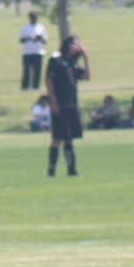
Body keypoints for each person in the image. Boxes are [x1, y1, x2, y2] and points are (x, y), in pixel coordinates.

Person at [45, 37, 89, 177]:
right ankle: (51, 169)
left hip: (71, 104)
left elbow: (87, 77)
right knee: (57, 138)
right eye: (75, 44)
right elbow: (49, 80)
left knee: (69, 138)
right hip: (60, 104)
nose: (77, 46)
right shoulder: (56, 60)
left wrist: (85, 58)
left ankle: (71, 169)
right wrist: (53, 101)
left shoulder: (72, 64)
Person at [18, 11, 47, 90]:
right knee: (26, 71)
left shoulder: (41, 27)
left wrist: (39, 38)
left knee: (37, 71)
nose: (34, 19)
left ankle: (35, 87)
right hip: (27, 52)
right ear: (30, 18)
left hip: (38, 52)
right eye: (32, 17)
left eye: (35, 17)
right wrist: (29, 38)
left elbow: (45, 40)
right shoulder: (25, 28)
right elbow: (21, 40)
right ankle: (25, 87)